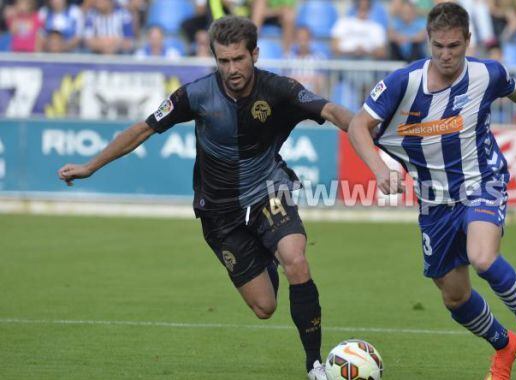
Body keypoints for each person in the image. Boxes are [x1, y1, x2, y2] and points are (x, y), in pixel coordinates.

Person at [57, 16, 354, 380]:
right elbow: (142, 129)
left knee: (296, 260)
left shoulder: (280, 90)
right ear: (214, 58)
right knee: (265, 307)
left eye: (238, 59)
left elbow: (334, 111)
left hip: (268, 192)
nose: (232, 69)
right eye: (223, 61)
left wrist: (365, 127)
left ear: (254, 54)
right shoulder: (195, 95)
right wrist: (91, 167)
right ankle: (266, 255)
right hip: (219, 214)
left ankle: (314, 365)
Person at [347, 3, 516, 379]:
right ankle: (505, 345)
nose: (446, 54)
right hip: (435, 201)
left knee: (483, 257)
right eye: (439, 46)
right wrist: (380, 170)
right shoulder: (403, 83)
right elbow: (358, 126)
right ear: (429, 41)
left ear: (468, 41)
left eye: (454, 47)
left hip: (483, 182)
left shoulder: (485, 73)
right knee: (454, 296)